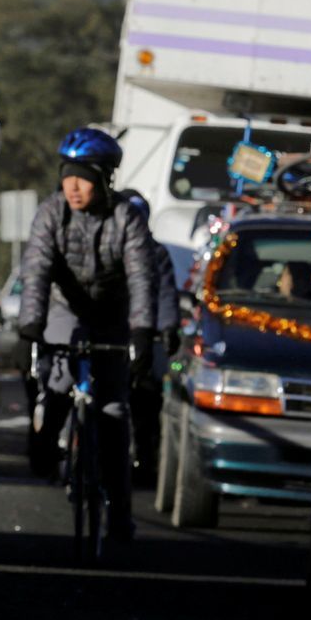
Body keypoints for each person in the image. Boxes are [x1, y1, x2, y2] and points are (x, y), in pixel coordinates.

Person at [16, 128, 159, 538]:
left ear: (104, 179)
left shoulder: (126, 218)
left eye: (84, 177)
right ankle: (45, 442)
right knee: (57, 383)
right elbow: (37, 270)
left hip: (113, 315)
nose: (74, 186)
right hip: (65, 309)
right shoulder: (51, 213)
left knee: (114, 413)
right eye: (67, 175)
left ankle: (119, 515)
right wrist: (31, 325)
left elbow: (142, 278)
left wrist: (143, 332)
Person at [118, 189, 181, 484]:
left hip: (143, 336)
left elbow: (166, 293)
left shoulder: (157, 253)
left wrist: (168, 327)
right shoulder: (109, 242)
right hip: (111, 331)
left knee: (145, 399)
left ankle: (145, 457)